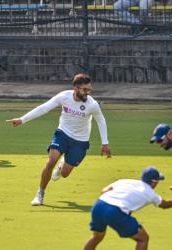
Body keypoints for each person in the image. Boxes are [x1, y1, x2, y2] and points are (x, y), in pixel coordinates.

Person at [6, 73, 111, 206]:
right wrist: (22, 119)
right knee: (50, 162)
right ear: (76, 89)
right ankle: (40, 194)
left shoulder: (92, 104)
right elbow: (44, 108)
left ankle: (62, 165)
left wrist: (105, 143)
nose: (87, 93)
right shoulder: (64, 96)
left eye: (89, 90)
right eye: (85, 90)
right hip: (62, 134)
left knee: (65, 173)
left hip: (80, 141)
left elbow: (101, 121)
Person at [84, 166, 172, 250]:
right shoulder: (150, 193)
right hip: (115, 211)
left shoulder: (125, 181)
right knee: (143, 239)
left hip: (99, 206)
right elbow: (164, 205)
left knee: (97, 237)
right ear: (153, 182)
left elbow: (104, 191)